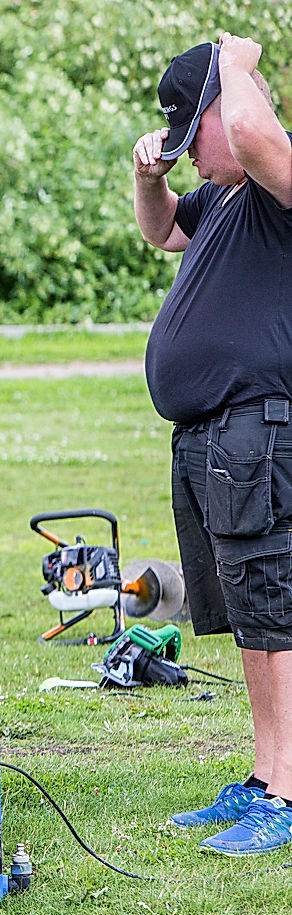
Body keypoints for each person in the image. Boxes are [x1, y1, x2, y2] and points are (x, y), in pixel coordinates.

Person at [133, 33, 292, 854]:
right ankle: (266, 778)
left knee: (276, 609)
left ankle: (288, 792)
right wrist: (146, 179)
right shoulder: (225, 197)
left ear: (233, 115)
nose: (187, 147)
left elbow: (261, 138)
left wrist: (238, 62)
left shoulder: (276, 182)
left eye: (193, 131)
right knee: (248, 619)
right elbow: (161, 235)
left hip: (257, 430)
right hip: (208, 439)